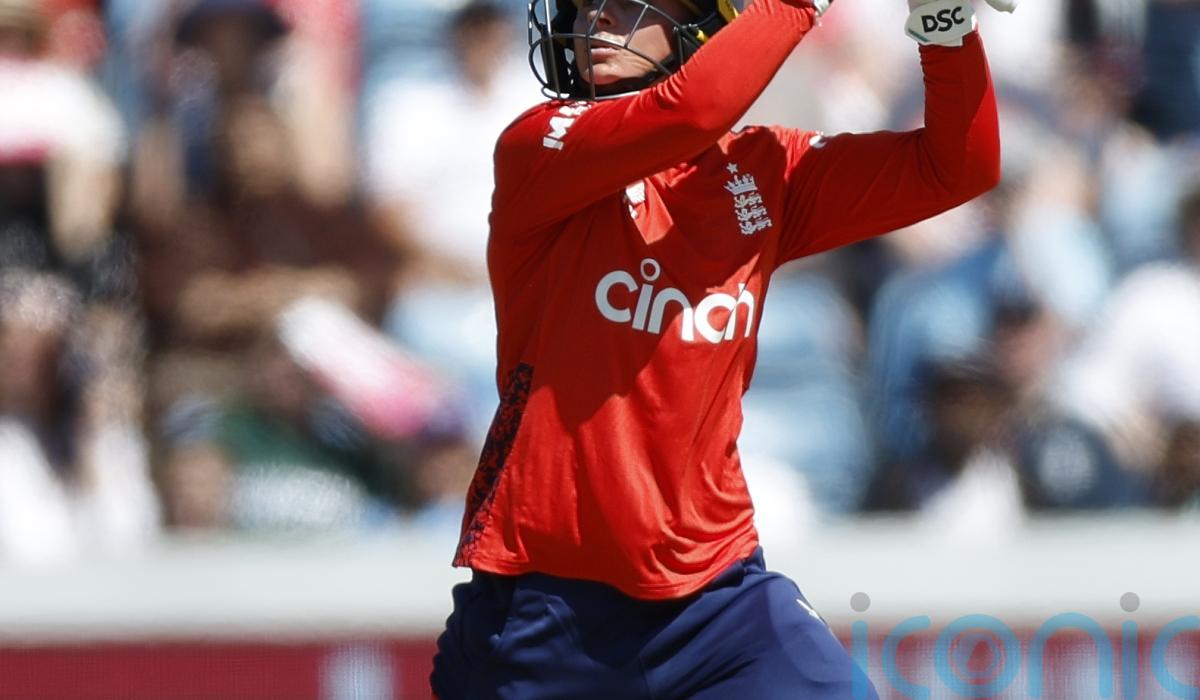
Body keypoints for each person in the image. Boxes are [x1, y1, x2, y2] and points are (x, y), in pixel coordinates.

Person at [431, 0, 1000, 696]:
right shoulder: (539, 144)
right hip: (543, 615)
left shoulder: (761, 171)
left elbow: (958, 165)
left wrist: (946, 27)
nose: (596, 21)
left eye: (626, 2)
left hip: (719, 601)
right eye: (584, 5)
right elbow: (692, 111)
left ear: (701, 23)